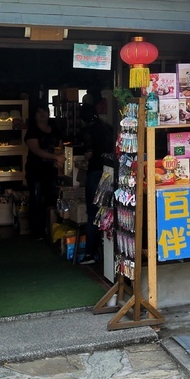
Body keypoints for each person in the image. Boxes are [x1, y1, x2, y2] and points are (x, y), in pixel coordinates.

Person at [76, 104, 115, 265]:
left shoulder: (87, 131)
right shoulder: (108, 127)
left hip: (95, 173)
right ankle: (108, 253)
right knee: (109, 211)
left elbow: (88, 153)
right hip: (111, 172)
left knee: (93, 212)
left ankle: (90, 253)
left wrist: (84, 161)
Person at [25, 105, 64, 241]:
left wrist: (59, 161)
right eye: (39, 111)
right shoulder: (32, 131)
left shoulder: (55, 130)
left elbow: (60, 147)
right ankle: (37, 231)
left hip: (51, 170)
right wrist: (55, 157)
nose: (42, 114)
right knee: (36, 199)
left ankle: (51, 230)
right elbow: (36, 150)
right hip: (35, 170)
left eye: (45, 111)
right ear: (35, 115)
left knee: (51, 199)